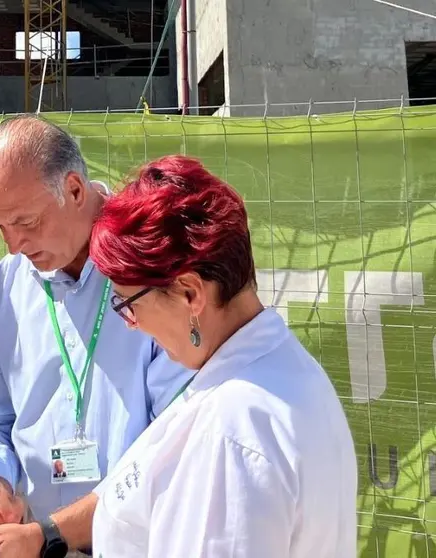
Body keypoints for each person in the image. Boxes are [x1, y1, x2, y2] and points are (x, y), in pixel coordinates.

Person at [84, 155, 357, 557]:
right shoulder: (285, 370)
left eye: (128, 304)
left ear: (190, 293)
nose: (129, 323)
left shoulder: (230, 432)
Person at [0, 115, 193, 558]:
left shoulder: (153, 268)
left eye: (25, 221)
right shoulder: (8, 283)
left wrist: (52, 533)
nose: (13, 245)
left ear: (76, 191)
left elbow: (175, 441)